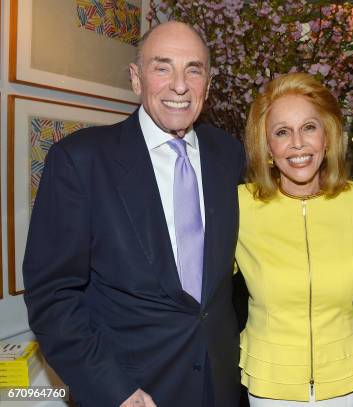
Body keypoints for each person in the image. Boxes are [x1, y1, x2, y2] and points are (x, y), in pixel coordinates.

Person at [23, 21, 243, 407]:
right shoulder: (80, 161)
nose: (179, 85)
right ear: (136, 79)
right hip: (134, 391)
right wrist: (113, 390)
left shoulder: (229, 155)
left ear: (207, 84)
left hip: (221, 386)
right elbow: (53, 296)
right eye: (162, 67)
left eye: (194, 69)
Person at [236, 72, 353, 406]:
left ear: (327, 137)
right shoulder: (240, 205)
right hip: (270, 385)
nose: (298, 143)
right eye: (282, 132)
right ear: (268, 147)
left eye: (309, 127)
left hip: (349, 383)